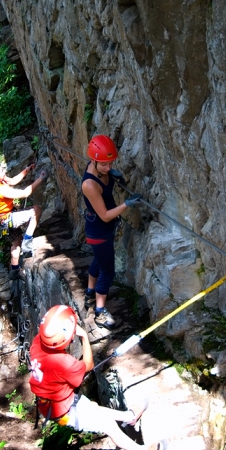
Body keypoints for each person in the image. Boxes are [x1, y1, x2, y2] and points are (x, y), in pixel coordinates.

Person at [29, 305, 167, 450]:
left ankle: (129, 417)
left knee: (94, 409)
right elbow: (88, 364)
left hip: (55, 403)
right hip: (64, 411)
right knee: (108, 426)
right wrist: (84, 337)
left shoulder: (37, 343)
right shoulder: (64, 363)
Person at [81, 135, 141, 327]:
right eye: (104, 165)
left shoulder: (100, 169)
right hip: (99, 231)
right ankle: (100, 312)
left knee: (99, 261)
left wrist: (113, 175)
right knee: (107, 271)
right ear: (93, 160)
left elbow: (106, 176)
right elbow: (105, 215)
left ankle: (90, 294)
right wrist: (127, 204)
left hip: (103, 229)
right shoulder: (89, 184)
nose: (108, 168)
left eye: (110, 163)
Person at [0, 159, 48, 278]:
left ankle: (15, 269)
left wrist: (26, 171)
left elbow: (12, 181)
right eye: (1, 170)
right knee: (36, 210)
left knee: (16, 243)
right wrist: (41, 178)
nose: (4, 170)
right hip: (6, 220)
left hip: (0, 221)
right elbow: (25, 193)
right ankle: (27, 242)